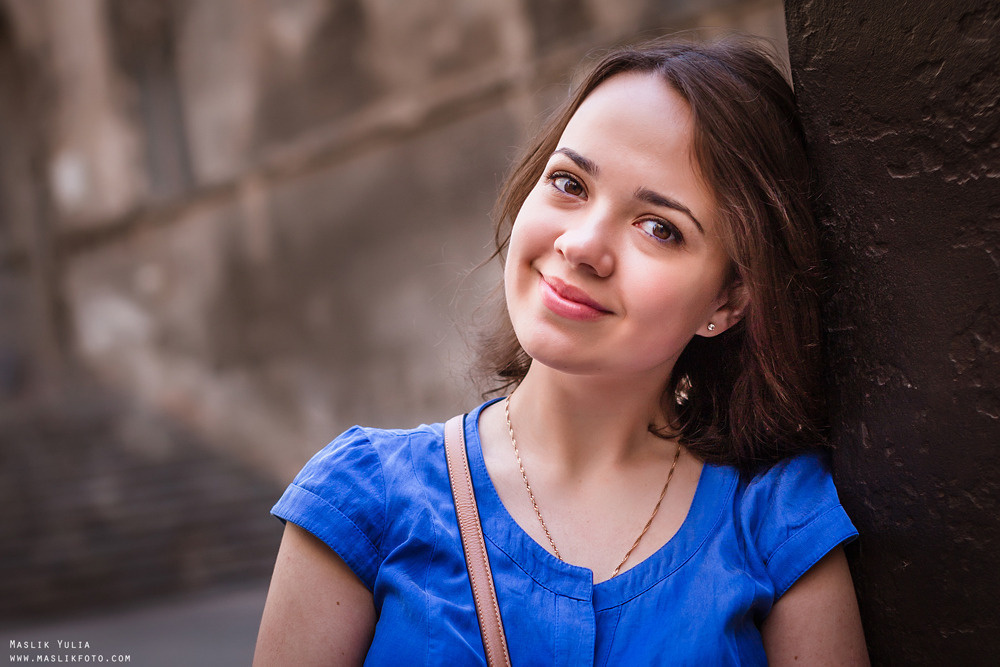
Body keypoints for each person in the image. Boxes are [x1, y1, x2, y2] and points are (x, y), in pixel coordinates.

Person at [253, 35, 869, 665]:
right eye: (570, 183)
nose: (581, 245)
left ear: (728, 299)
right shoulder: (361, 504)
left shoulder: (775, 517)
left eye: (660, 228)